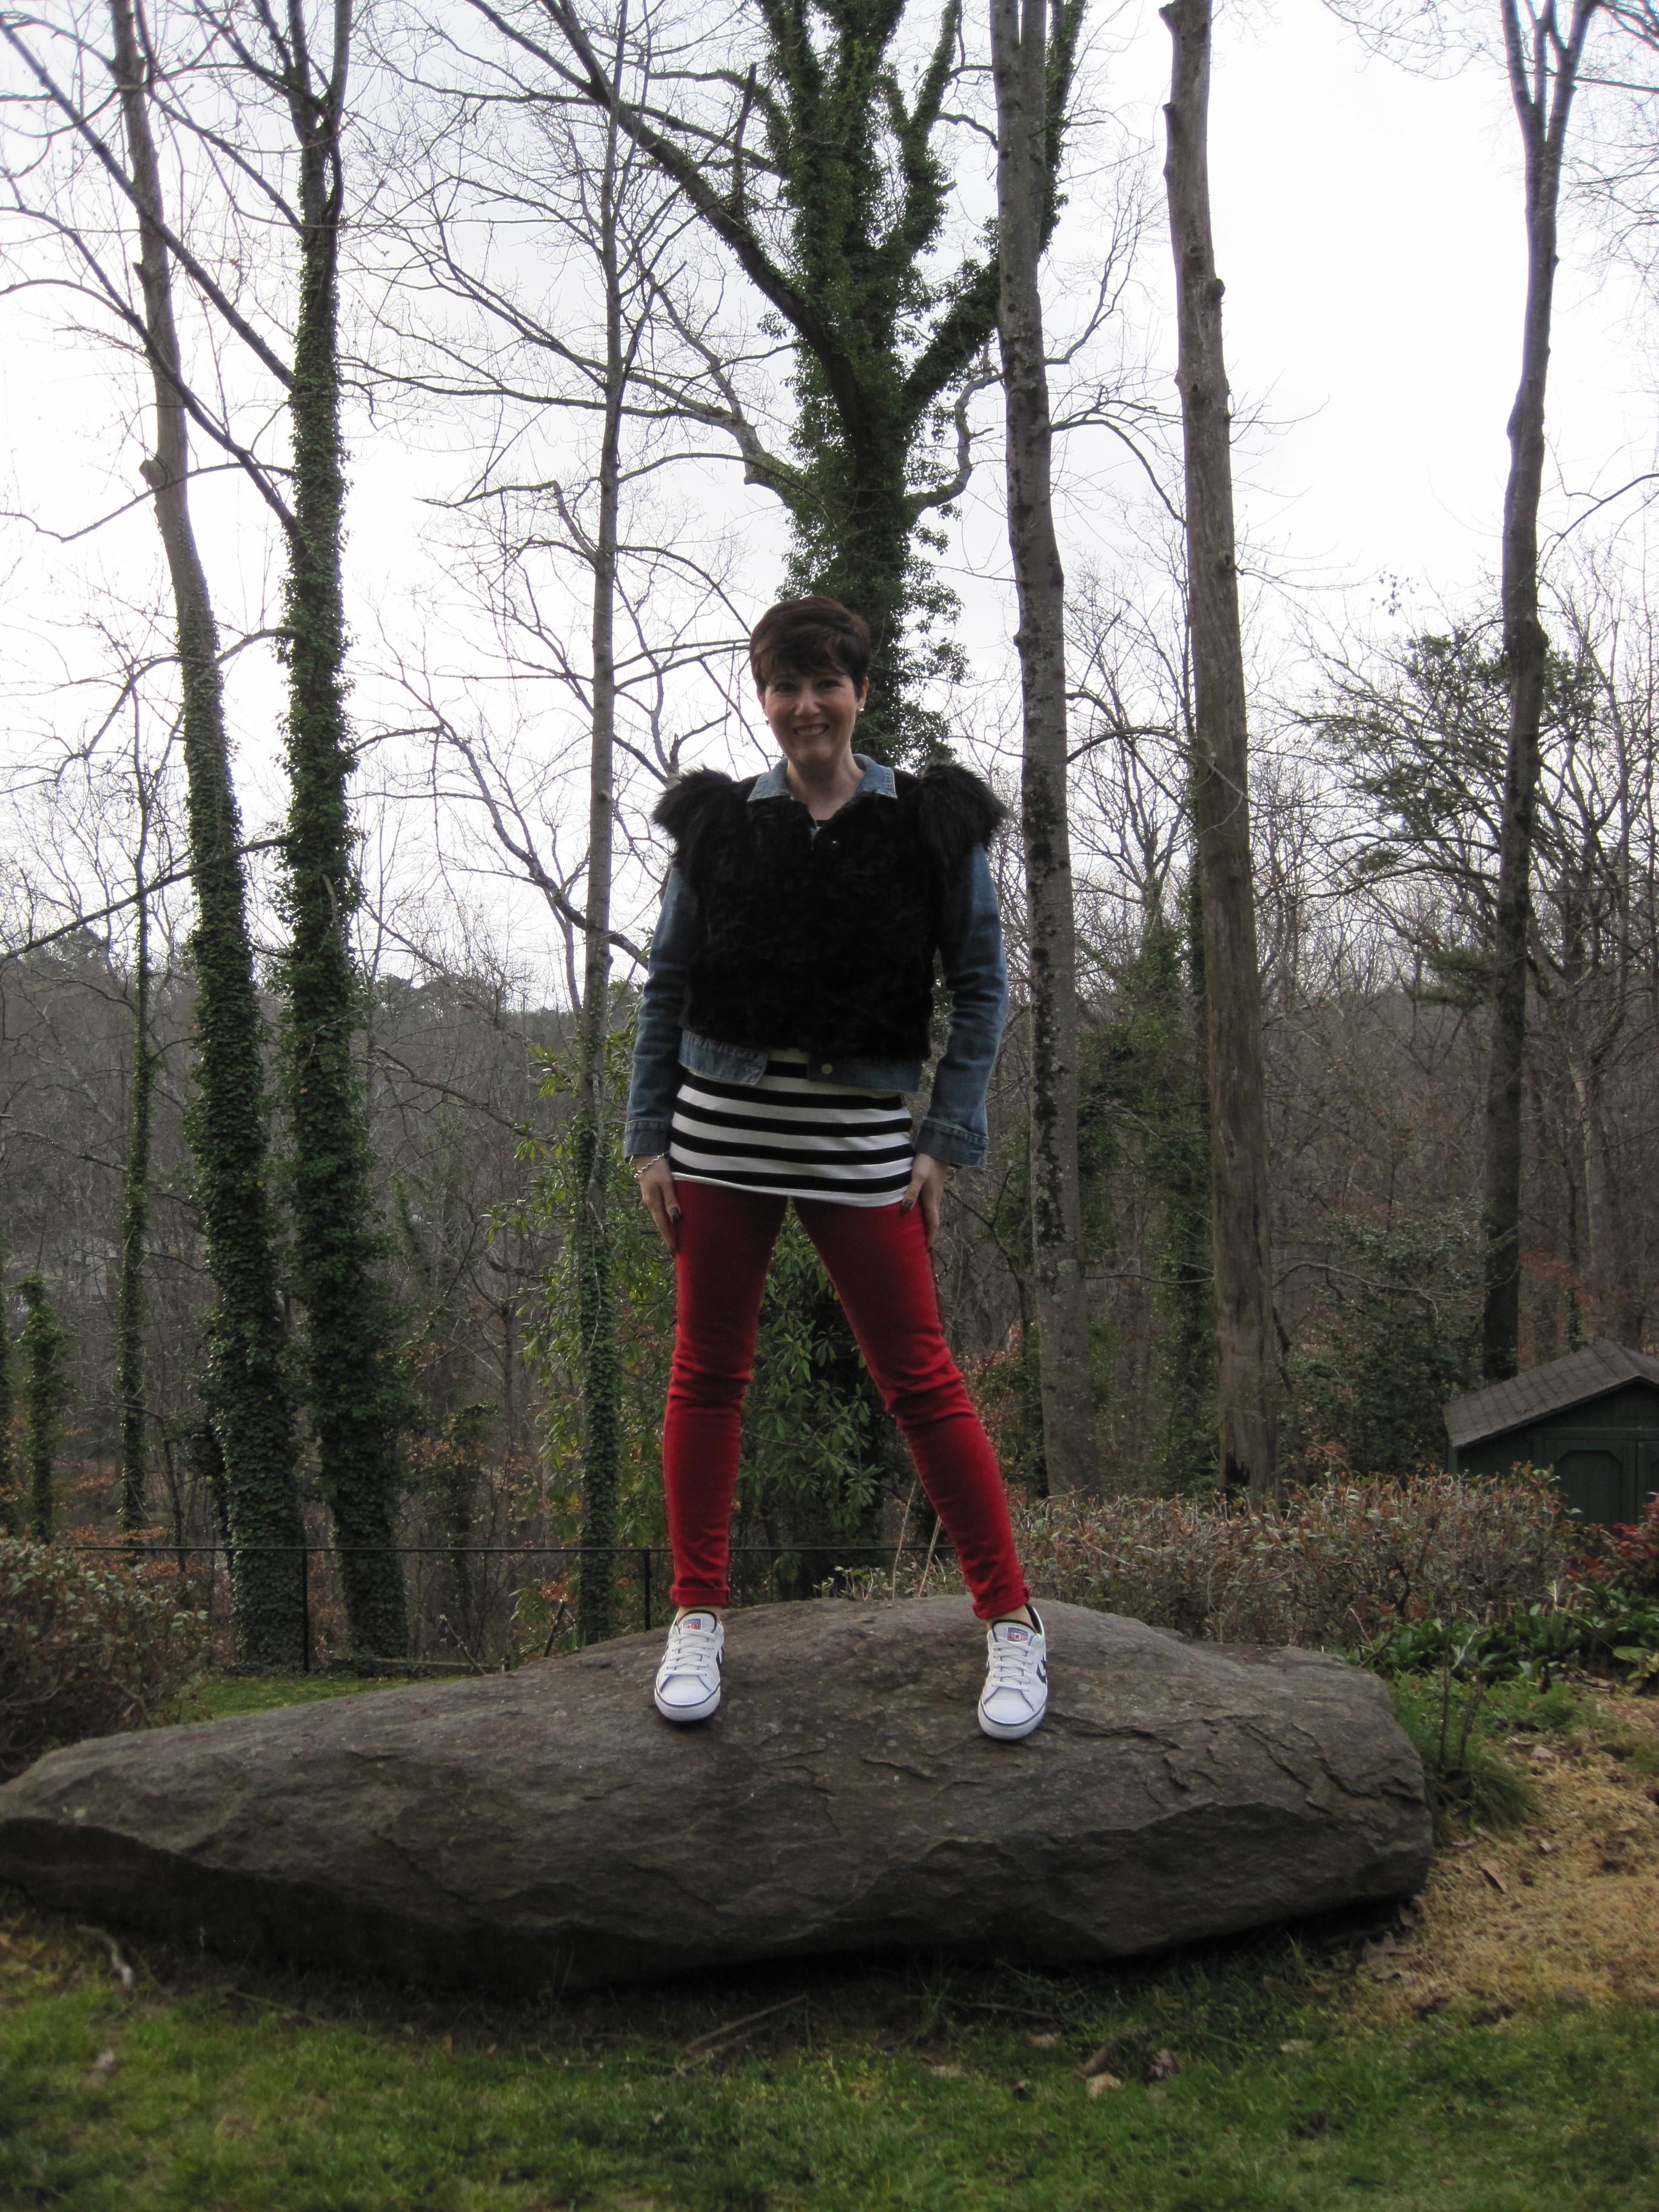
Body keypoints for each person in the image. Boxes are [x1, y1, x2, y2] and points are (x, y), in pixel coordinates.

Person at [624, 595, 1047, 1741]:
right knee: (706, 1375)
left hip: (860, 1142)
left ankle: (1011, 1619)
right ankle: (697, 1614)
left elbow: (983, 986)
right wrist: (650, 1136)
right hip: (722, 1134)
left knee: (921, 1381)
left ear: (860, 692)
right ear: (762, 697)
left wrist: (944, 1138)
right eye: (785, 685)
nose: (806, 706)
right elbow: (668, 982)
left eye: (827, 684)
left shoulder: (930, 824)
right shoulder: (719, 825)